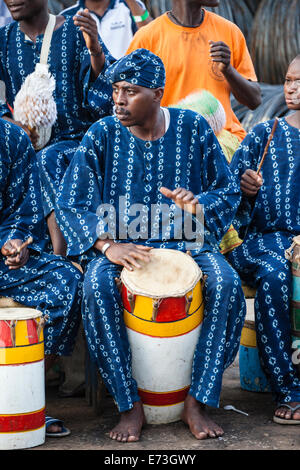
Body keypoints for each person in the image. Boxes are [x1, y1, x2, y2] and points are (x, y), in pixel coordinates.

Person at [56, 49, 246, 441]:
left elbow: (227, 190)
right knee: (96, 285)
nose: (119, 100)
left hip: (188, 242)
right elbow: (69, 203)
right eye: (116, 90)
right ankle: (129, 405)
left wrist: (199, 205)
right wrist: (108, 246)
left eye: (131, 91)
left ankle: (198, 401)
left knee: (226, 285)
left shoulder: (193, 128)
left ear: (158, 94)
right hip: (125, 245)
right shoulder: (102, 134)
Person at [0, 0, 115, 256]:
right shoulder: (3, 40)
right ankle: (14, 245)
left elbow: (106, 98)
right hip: (25, 144)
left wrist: (95, 49)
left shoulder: (75, 31)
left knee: (45, 160)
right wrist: (13, 124)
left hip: (78, 140)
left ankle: (60, 253)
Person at [227, 55, 300, 424]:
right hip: (262, 240)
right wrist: (245, 188)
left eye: (299, 81)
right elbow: (225, 192)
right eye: (288, 79)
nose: (290, 87)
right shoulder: (265, 133)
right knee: (276, 273)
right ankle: (288, 388)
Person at [0, 117, 83, 436]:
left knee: (66, 281)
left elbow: (19, 214)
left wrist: (13, 244)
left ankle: (21, 400)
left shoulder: (11, 139)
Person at [126, 0, 261, 142]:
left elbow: (254, 101)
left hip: (222, 141)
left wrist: (228, 70)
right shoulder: (148, 38)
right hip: (171, 142)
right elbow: (129, 100)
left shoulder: (229, 31)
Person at [61, 0, 152, 59]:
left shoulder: (128, 5)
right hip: (91, 84)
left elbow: (151, 34)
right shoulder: (67, 16)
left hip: (127, 82)